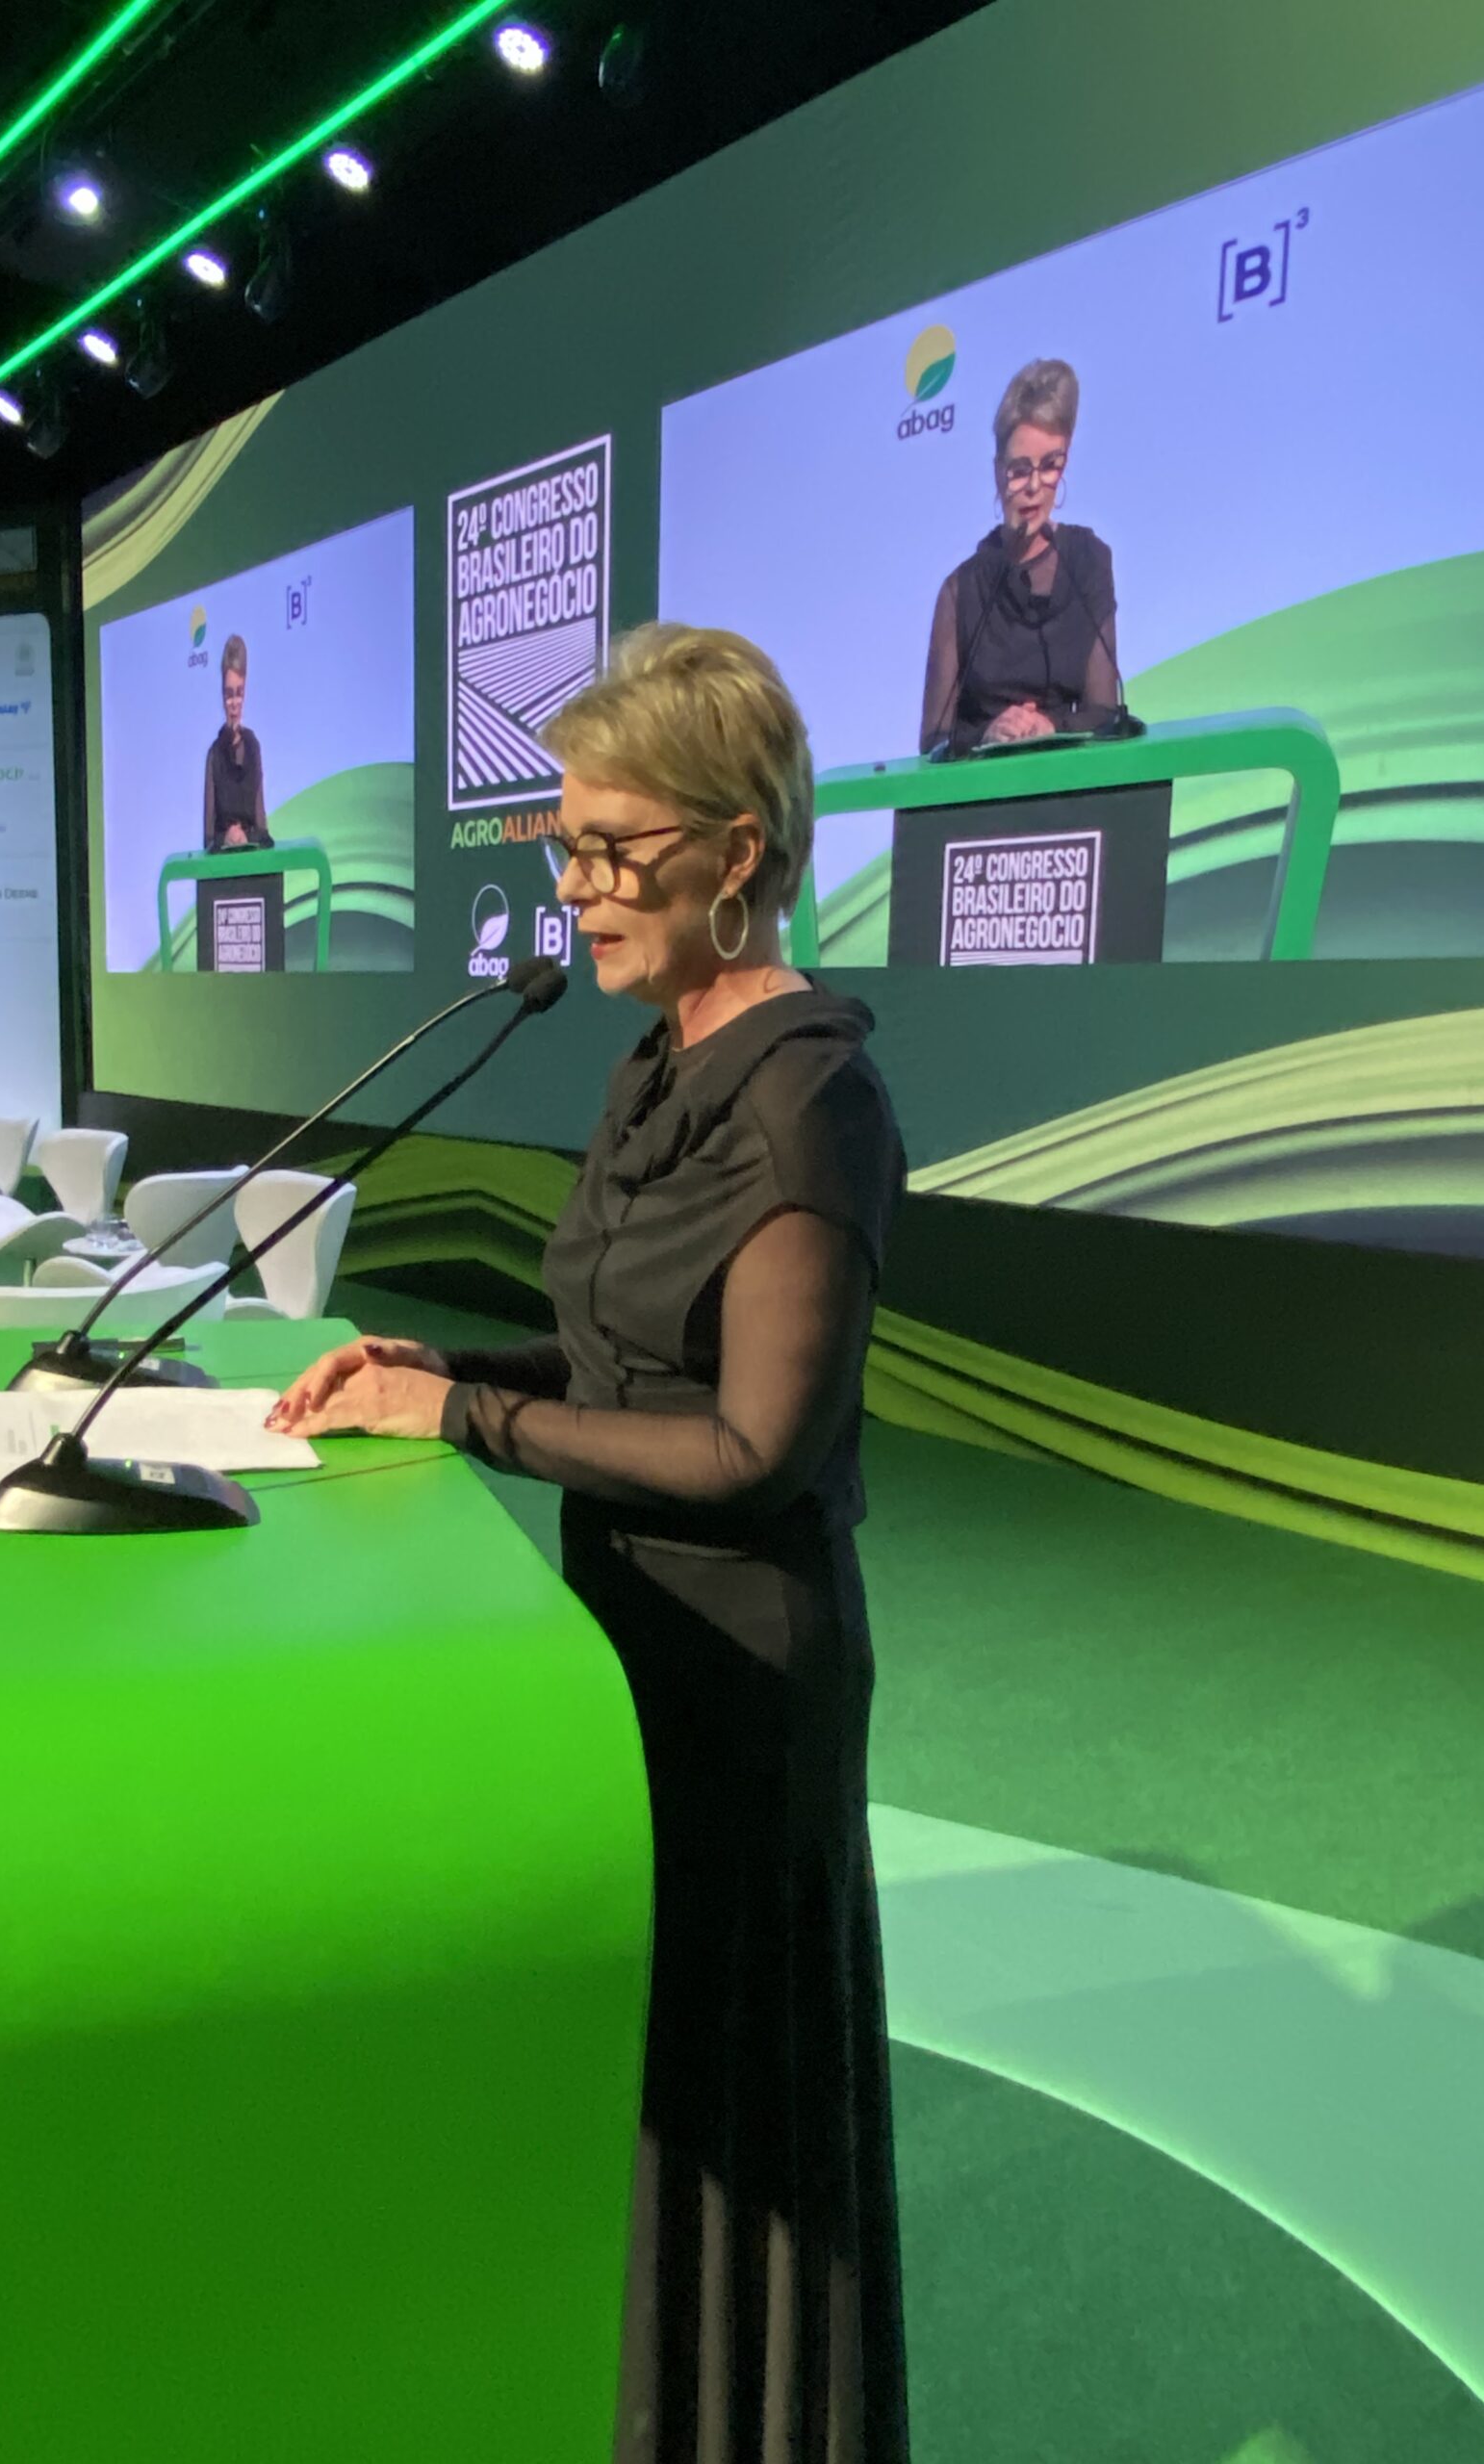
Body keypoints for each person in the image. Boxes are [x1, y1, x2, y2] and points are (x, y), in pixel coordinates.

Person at [269, 623, 911, 2464]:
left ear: (739, 849)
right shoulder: (654, 1062)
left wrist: (464, 1424)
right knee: (655, 2106)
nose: (577, 887)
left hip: (746, 1687)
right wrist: (437, 1364)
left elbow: (752, 1447)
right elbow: (624, 1357)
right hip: (621, 1651)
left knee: (738, 2115)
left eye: (613, 849)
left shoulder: (811, 1099)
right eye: (566, 845)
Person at [919, 355, 1120, 755]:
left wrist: (1050, 726)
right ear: (998, 471)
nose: (1033, 486)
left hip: (1072, 779)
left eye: (1050, 466)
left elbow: (1105, 714)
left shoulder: (1089, 561)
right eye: (1019, 470)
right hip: (985, 788)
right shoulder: (961, 591)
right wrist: (989, 733)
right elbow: (932, 742)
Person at [202, 632, 272, 851]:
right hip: (222, 865)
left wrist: (245, 836)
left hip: (252, 860)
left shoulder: (253, 746)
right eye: (229, 694)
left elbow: (263, 831)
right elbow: (208, 839)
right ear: (222, 696)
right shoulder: (214, 754)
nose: (234, 703)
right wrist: (226, 838)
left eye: (239, 693)